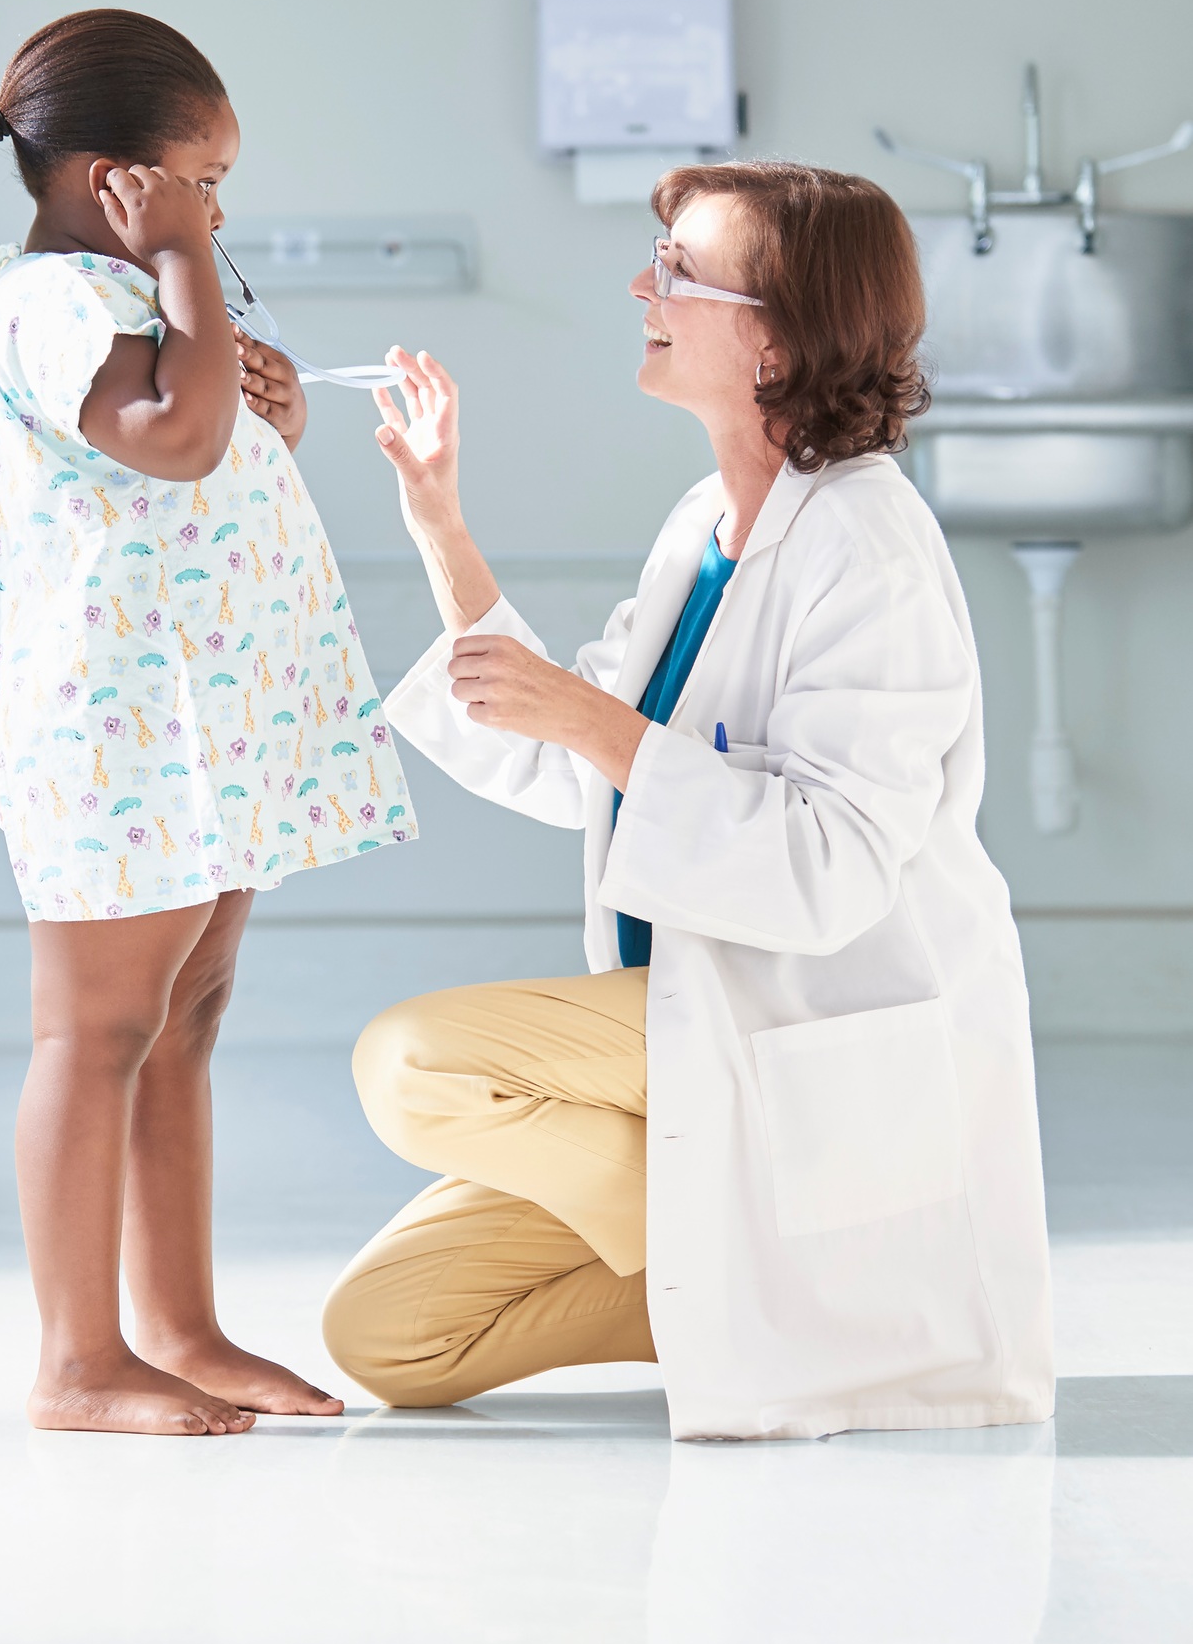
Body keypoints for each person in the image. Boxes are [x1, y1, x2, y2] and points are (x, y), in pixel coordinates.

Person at [322, 162, 1054, 1442]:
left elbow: (829, 870)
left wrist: (595, 721)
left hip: (804, 1016)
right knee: (387, 1331)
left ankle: (772, 1262)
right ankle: (748, 1279)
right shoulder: (702, 526)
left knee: (413, 1061)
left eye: (678, 271)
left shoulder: (869, 548)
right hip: (695, 1021)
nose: (640, 286)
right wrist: (441, 521)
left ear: (776, 336)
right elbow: (570, 757)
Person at [0, 9, 416, 1435]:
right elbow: (170, 439)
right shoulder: (47, 298)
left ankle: (178, 1328)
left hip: (204, 728)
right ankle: (76, 1360)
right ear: (116, 175)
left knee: (184, 1022)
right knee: (98, 1032)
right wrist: (183, 263)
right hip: (113, 738)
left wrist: (272, 404)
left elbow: (204, 432)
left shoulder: (137, 299)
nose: (215, 209)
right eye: (199, 181)